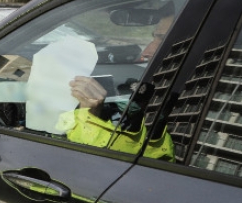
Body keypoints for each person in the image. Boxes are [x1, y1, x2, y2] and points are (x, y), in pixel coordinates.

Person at [64, 11, 177, 161]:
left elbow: (95, 161)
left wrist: (90, 116)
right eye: (154, 38)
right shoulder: (174, 93)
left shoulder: (178, 111)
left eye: (163, 40)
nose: (147, 51)